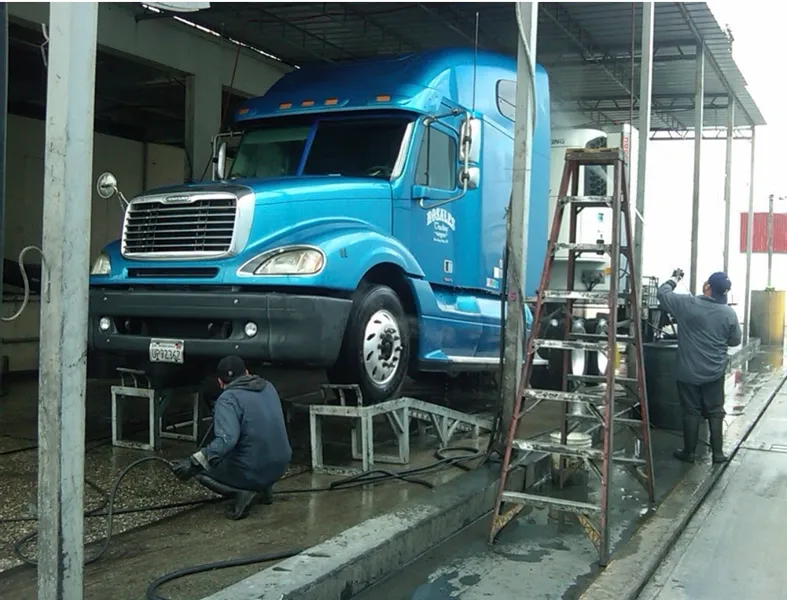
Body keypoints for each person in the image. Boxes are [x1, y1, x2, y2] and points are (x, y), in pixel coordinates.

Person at [171, 356, 292, 520]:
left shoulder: (227, 399)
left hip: (252, 470)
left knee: (201, 470)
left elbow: (226, 441)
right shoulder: (268, 387)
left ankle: (243, 492)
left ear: (220, 382)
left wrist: (193, 462)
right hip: (280, 466)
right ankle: (265, 490)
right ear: (247, 373)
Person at [656, 269, 742, 464]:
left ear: (707, 287)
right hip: (714, 372)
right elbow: (735, 341)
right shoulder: (729, 313)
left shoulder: (687, 304)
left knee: (690, 411)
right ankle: (718, 453)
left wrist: (675, 279)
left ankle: (689, 452)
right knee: (715, 410)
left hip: (688, 373)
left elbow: (662, 293)